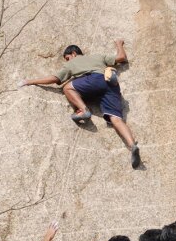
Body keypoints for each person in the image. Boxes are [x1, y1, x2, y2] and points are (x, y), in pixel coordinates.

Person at [21, 39, 142, 169]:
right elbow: (121, 57)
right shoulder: (97, 56)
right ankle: (132, 145)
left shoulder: (71, 63)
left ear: (73, 53)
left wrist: (30, 81)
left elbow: (55, 79)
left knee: (67, 88)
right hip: (109, 84)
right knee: (116, 119)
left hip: (92, 80)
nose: (67, 61)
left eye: (67, 58)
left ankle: (84, 110)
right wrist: (119, 44)